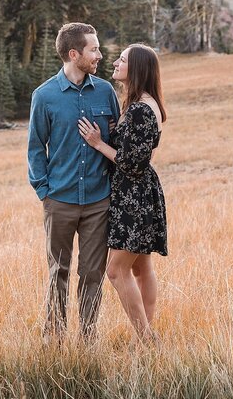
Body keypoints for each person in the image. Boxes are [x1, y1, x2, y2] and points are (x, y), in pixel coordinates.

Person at [27, 22, 121, 341]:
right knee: (59, 272)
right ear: (73, 53)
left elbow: (117, 141)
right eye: (93, 49)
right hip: (60, 201)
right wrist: (44, 192)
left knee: (92, 273)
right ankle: (54, 337)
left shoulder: (106, 92)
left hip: (98, 202)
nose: (99, 55)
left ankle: (88, 337)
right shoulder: (45, 96)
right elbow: (36, 147)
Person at [77, 43, 167, 342]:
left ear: (137, 68)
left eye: (122, 60)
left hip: (136, 198)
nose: (114, 62)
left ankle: (145, 337)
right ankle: (147, 334)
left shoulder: (142, 109)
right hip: (134, 194)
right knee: (141, 266)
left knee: (116, 271)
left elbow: (133, 162)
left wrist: (98, 142)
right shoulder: (138, 103)